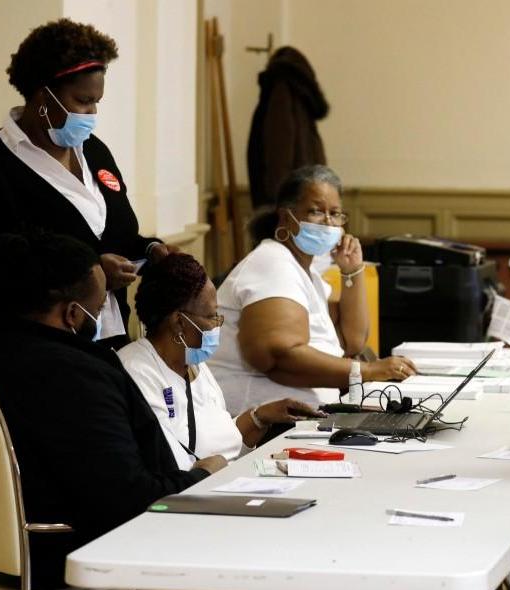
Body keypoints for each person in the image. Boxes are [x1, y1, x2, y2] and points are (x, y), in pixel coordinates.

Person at [0, 232, 379, 590]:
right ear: (73, 315)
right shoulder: (78, 376)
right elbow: (130, 500)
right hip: (85, 551)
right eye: (101, 308)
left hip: (10, 552)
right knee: (308, 571)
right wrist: (203, 476)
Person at [0, 18, 175, 345]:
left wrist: (150, 250)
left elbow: (114, 235)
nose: (92, 113)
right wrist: (90, 274)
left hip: (111, 337)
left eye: (97, 101)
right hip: (39, 348)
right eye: (83, 101)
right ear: (43, 97)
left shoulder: (94, 152)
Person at [209, 164, 417, 414]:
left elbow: (352, 341)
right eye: (316, 212)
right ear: (287, 218)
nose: (328, 222)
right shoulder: (273, 264)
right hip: (263, 427)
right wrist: (367, 371)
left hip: (307, 417)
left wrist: (352, 271)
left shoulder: (307, 273)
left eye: (336, 213)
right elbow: (279, 357)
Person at [119, 252, 324, 468]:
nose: (217, 325)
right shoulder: (137, 371)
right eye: (211, 316)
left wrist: (260, 417)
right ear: (179, 322)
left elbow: (221, 445)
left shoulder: (194, 363)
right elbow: (173, 463)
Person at [247, 46, 329, 208]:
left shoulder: (282, 89)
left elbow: (280, 144)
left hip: (290, 196)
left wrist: (277, 196)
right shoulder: (300, 94)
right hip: (306, 190)